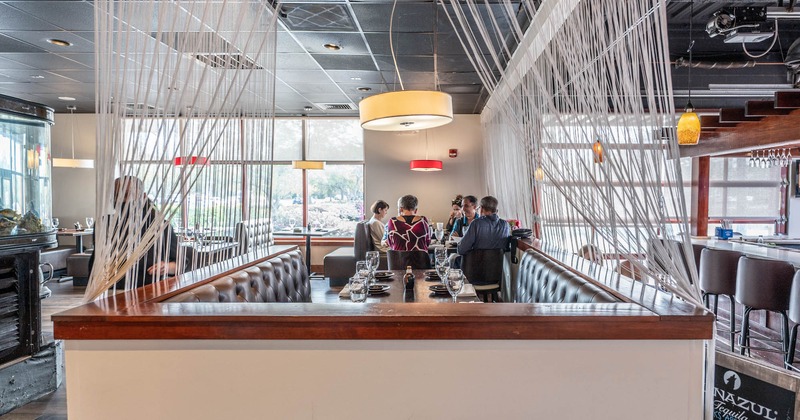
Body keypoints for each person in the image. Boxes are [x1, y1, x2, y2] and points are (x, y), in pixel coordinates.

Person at [89, 176, 181, 288]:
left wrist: (166, 267)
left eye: (128, 195)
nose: (123, 200)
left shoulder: (159, 226)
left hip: (148, 290)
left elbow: (179, 263)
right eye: (117, 196)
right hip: (108, 289)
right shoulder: (103, 224)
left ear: (143, 197)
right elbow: (97, 260)